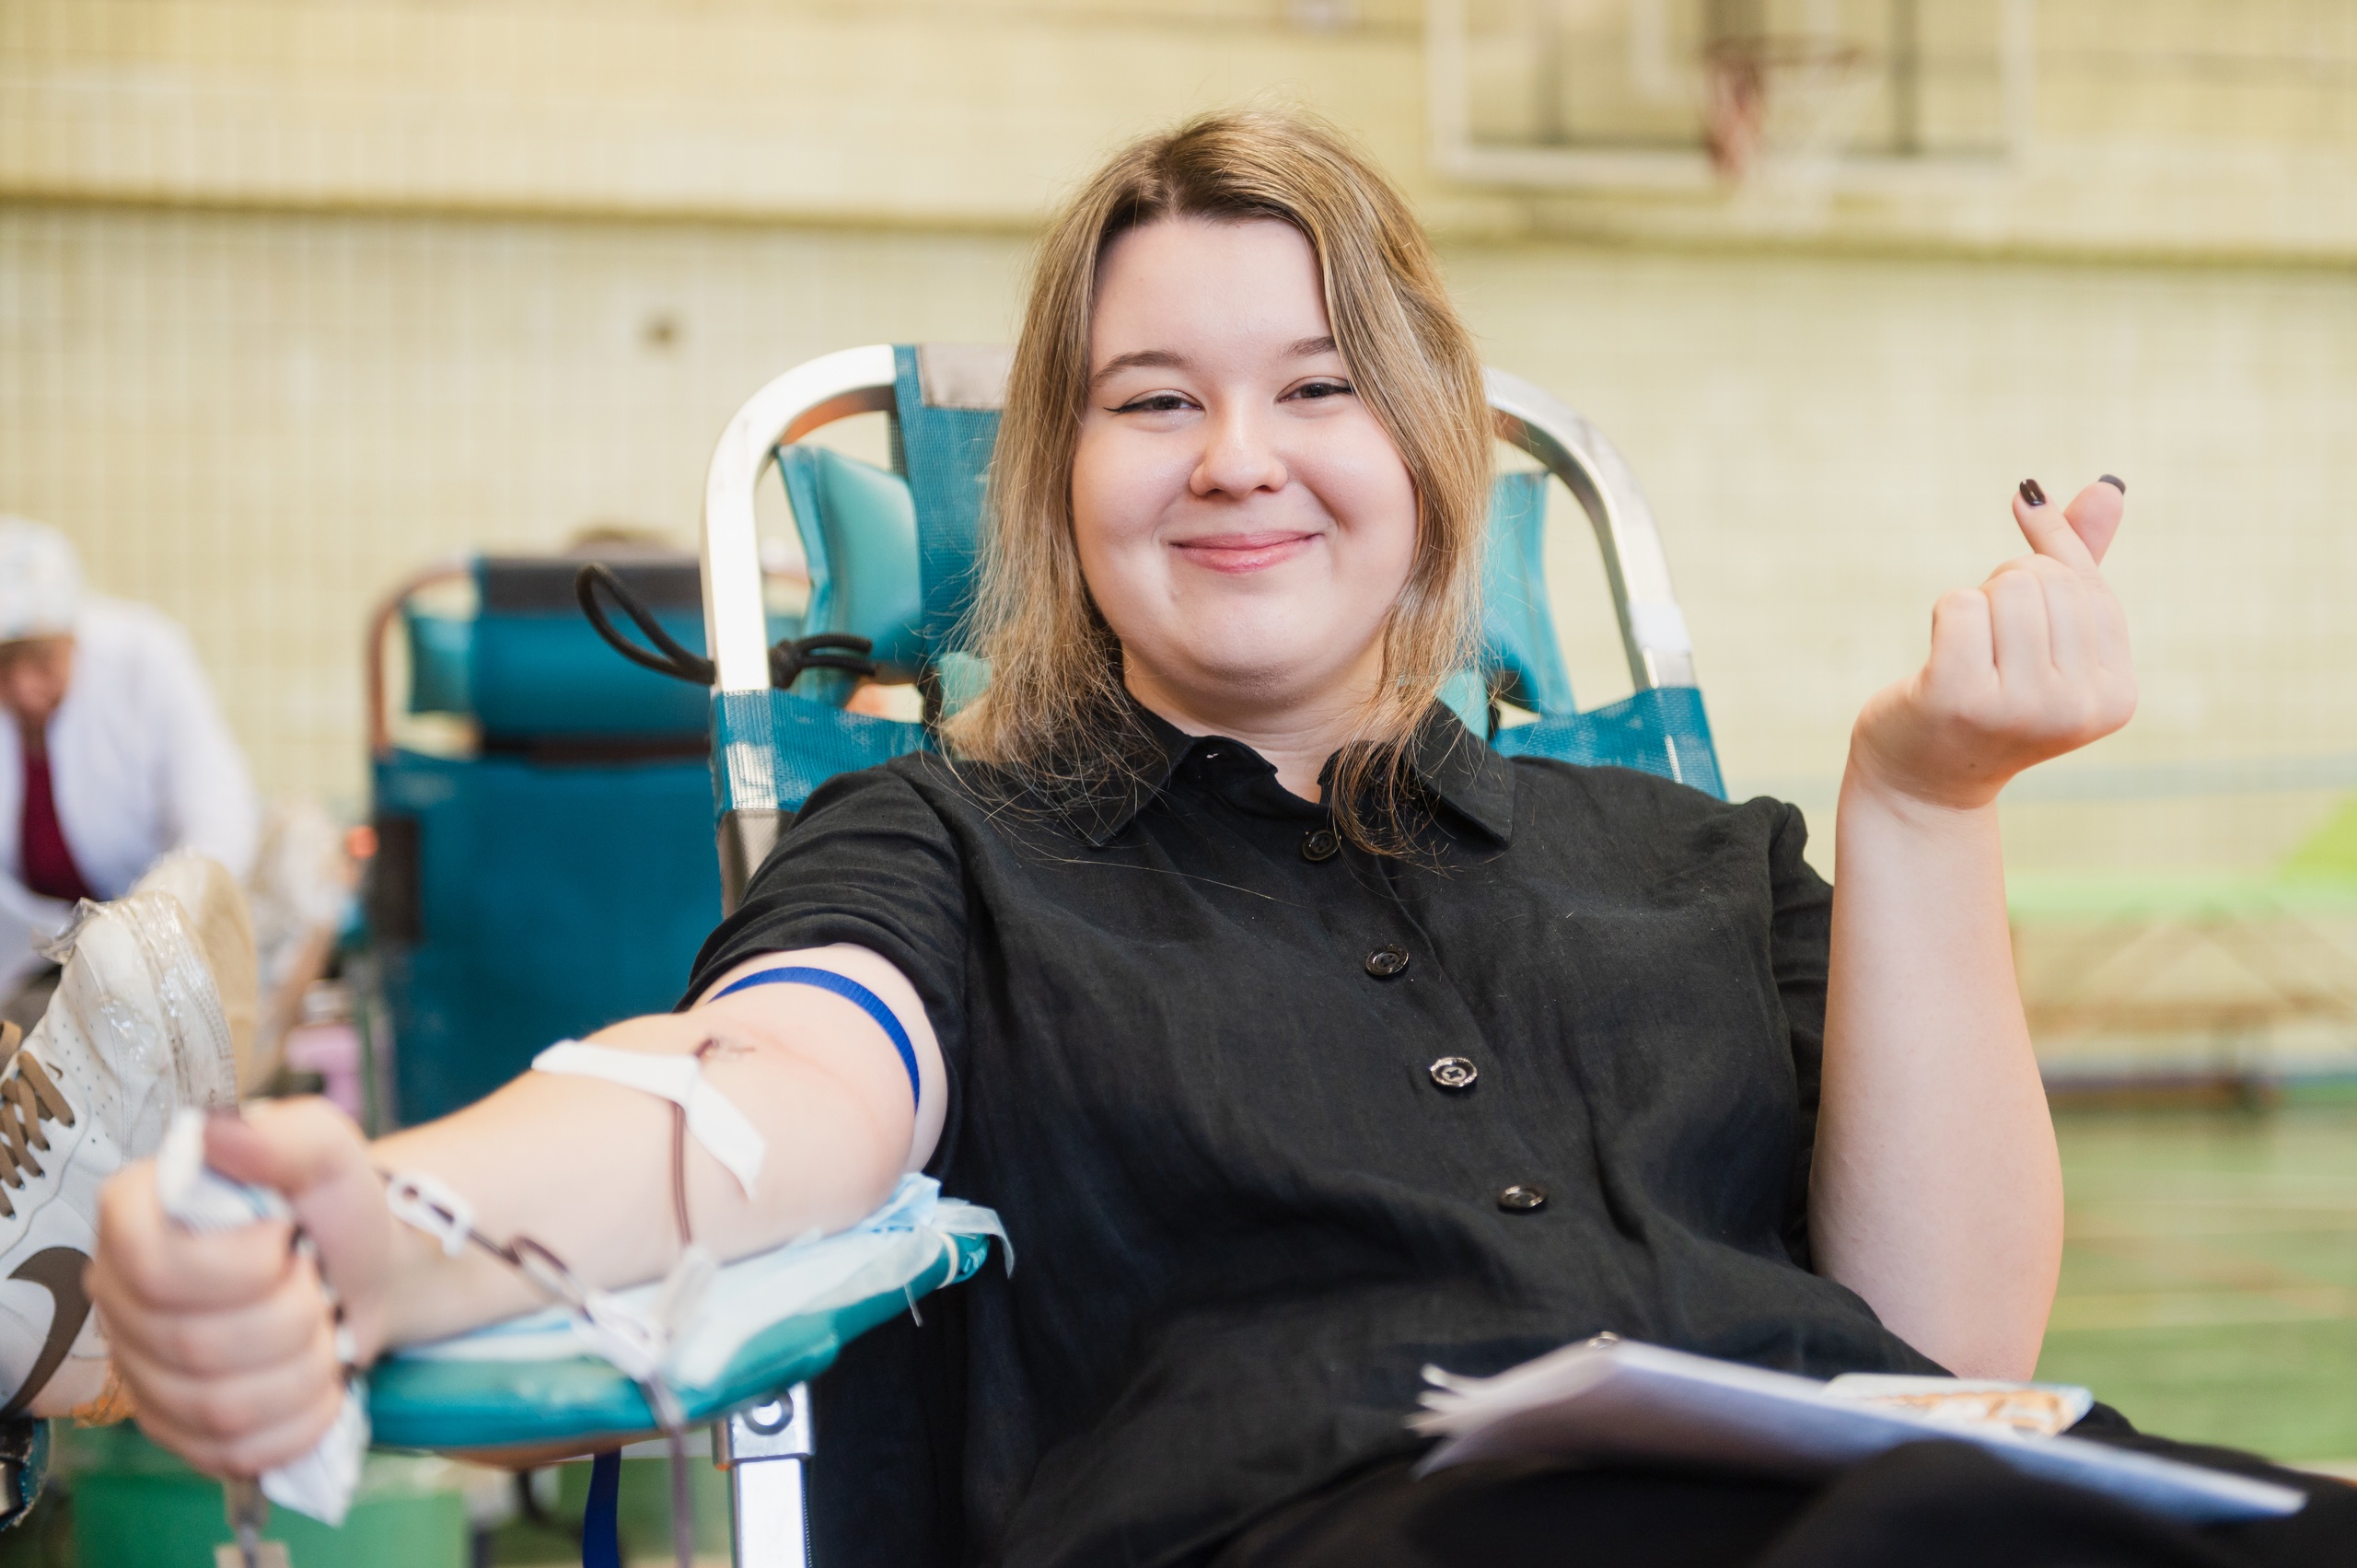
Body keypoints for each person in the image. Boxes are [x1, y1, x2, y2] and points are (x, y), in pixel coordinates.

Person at [82, 111, 2355, 1566]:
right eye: (1152, 400)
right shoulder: (954, 849)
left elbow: (1943, 1334)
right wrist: (384, 1230)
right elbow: (754, 1095)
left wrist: (1922, 802)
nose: (1236, 456)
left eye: (1316, 386)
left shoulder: (1689, 855)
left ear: (1430, 457)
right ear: (1060, 492)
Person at [0, 520, 259, 1030]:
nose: (24, 687)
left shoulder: (144, 659)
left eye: (42, 662)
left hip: (155, 939)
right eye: (3, 665)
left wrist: (154, 928)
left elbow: (219, 813)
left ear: (74, 636)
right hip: (26, 954)